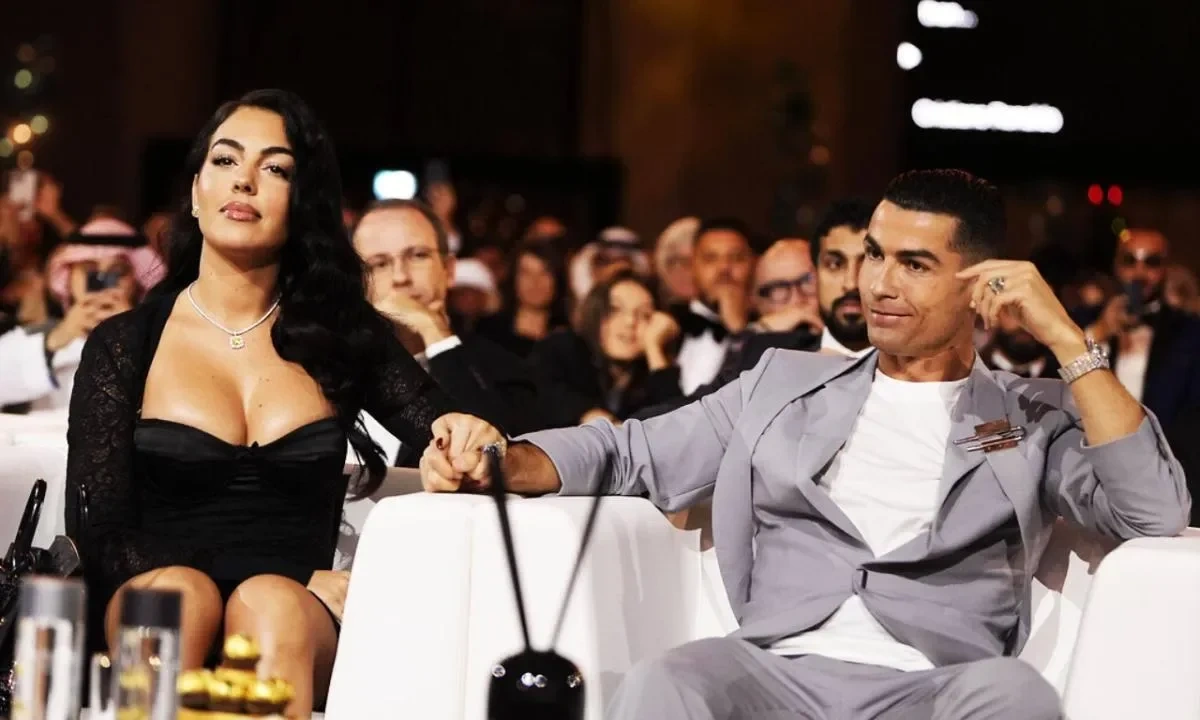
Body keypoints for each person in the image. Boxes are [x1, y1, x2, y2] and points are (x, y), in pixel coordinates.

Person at [421, 169, 1188, 719]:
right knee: (667, 680)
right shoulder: (782, 383)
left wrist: (1065, 339)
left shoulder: (1029, 415)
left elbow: (1151, 511)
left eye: (914, 265)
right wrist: (500, 459)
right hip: (770, 672)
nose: (877, 283)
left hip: (939, 686)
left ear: (981, 282)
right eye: (875, 254)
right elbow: (632, 453)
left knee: (1019, 698)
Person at [64, 89, 500, 716]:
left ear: (303, 202)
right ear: (196, 192)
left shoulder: (339, 335)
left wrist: (465, 437)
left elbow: (451, 428)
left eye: (274, 168)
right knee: (178, 599)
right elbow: (101, 538)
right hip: (159, 597)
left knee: (269, 605)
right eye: (225, 160)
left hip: (291, 615)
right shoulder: (125, 344)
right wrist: (275, 572)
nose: (244, 180)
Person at [631, 199, 873, 420]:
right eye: (778, 290)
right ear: (756, 300)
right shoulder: (756, 350)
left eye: (806, 281)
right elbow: (694, 416)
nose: (797, 301)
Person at [352, 198, 548, 454]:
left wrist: (435, 333)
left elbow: (493, 457)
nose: (400, 277)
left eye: (418, 256)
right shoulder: (328, 372)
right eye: (379, 264)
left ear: (449, 270)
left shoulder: (506, 367)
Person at [1, 218, 162, 411]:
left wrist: (132, 337)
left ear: (135, 283)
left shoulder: (161, 340)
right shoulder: (33, 336)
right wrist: (56, 340)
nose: (102, 281)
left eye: (116, 272)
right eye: (90, 271)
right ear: (69, 278)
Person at [530, 271, 681, 426]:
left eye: (645, 314)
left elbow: (675, 425)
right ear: (596, 313)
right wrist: (593, 416)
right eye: (615, 310)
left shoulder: (649, 374)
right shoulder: (562, 348)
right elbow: (548, 397)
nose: (630, 321)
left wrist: (654, 348)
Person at [475, 240, 571, 358]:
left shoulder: (568, 341)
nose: (535, 282)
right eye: (526, 273)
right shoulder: (487, 333)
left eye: (544, 273)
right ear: (514, 279)